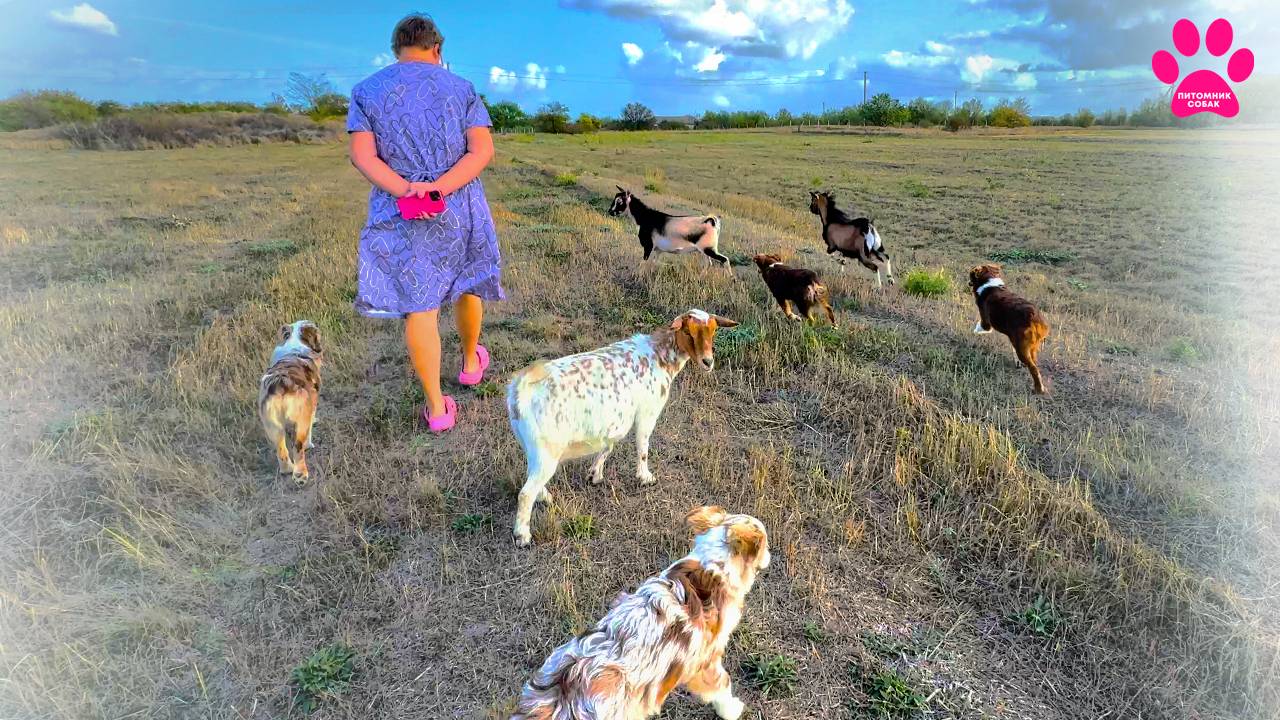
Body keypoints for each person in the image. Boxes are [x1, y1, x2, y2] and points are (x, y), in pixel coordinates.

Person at [347, 13, 502, 433]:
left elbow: (362, 156)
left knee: (420, 304)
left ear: (396, 50)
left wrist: (407, 190)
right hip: (458, 202)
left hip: (399, 208)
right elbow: (481, 150)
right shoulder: (462, 88)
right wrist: (438, 189)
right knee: (466, 282)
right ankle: (470, 363)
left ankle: (436, 409)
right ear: (437, 48)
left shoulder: (366, 91)